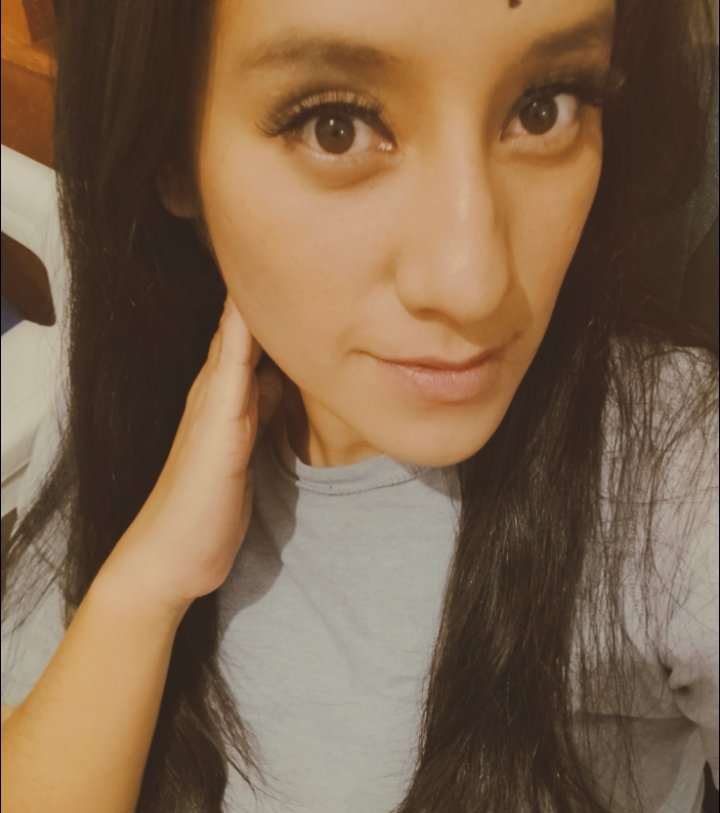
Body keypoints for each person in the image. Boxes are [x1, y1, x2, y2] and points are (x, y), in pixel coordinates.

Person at [1, 1, 717, 811]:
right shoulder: (139, 389)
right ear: (168, 151)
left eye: (543, 107)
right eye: (335, 127)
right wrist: (147, 581)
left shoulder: (676, 475)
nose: (473, 284)